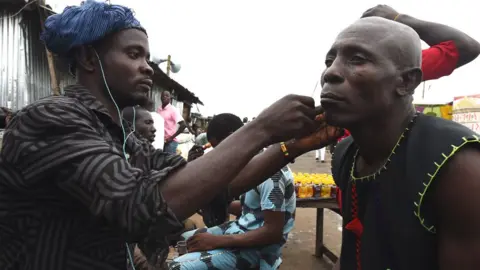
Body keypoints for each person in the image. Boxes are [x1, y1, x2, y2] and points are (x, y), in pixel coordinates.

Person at [0, 1, 342, 269]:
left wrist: (292, 147)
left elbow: (211, 184)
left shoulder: (119, 136)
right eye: (134, 54)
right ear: (90, 59)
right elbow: (141, 207)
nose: (148, 67)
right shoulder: (53, 119)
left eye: (147, 56)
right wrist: (261, 127)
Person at [323, 16, 480, 270]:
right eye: (330, 61)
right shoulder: (346, 153)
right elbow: (355, 244)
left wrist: (397, 17)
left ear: (407, 82)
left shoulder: (461, 169)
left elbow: (467, 47)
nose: (330, 72)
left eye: (358, 60)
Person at [170, 113, 296, 270]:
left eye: (220, 148)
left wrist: (215, 241)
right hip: (242, 230)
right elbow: (251, 209)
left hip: (258, 251)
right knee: (185, 239)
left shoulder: (270, 171)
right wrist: (214, 199)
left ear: (232, 138)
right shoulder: (250, 165)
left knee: (176, 266)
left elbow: (273, 232)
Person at [362, 5, 480, 81]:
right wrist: (398, 18)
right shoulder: (398, 64)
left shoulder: (398, 61)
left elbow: (467, 47)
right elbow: (466, 47)